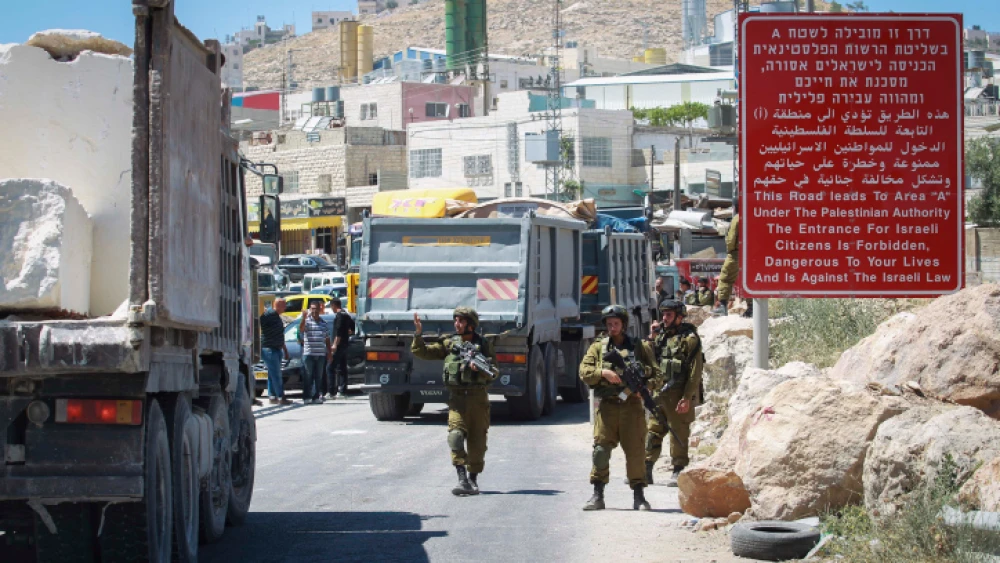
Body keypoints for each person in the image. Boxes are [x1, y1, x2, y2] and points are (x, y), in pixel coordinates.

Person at [411, 307, 499, 497]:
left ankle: (473, 479)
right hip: (457, 399)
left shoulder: (483, 345)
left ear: (470, 324)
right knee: (455, 436)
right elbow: (423, 352)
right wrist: (418, 334)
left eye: (460, 321)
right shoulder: (450, 343)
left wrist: (480, 370)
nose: (456, 324)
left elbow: (495, 372)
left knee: (477, 444)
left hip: (478, 399)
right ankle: (462, 479)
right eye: (455, 320)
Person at [579, 305, 659, 511]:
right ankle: (597, 495)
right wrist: (603, 373)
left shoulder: (639, 346)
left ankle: (639, 496)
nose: (612, 327)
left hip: (631, 407)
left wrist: (644, 388)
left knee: (636, 452)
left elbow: (658, 375)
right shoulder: (598, 347)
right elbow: (584, 371)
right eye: (609, 324)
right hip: (608, 408)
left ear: (624, 325)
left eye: (616, 324)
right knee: (600, 451)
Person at [646, 299, 703, 487]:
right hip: (659, 394)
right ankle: (646, 468)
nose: (665, 318)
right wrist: (651, 339)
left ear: (679, 317)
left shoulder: (690, 339)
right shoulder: (661, 336)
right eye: (663, 314)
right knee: (653, 431)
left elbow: (695, 373)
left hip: (678, 395)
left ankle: (678, 469)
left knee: (678, 432)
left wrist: (687, 398)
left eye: (669, 315)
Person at [298, 300, 331, 404]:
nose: (314, 311)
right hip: (309, 353)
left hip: (320, 354)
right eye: (312, 309)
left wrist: (329, 352)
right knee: (308, 376)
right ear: (309, 309)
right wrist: (303, 317)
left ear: (319, 309)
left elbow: (327, 339)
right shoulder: (307, 321)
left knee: (319, 376)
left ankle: (317, 396)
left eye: (316, 309)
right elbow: (301, 329)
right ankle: (307, 397)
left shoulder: (324, 323)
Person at [260, 298, 292, 405]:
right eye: (284, 305)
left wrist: (285, 350)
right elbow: (260, 320)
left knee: (272, 374)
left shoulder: (277, 317)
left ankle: (272, 396)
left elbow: (280, 335)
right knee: (276, 374)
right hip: (269, 349)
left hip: (277, 348)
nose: (285, 308)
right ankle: (281, 397)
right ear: (277, 305)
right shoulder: (269, 314)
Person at [326, 298, 354, 399]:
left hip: (339, 345)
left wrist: (334, 345)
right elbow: (353, 327)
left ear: (334, 305)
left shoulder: (339, 316)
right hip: (345, 344)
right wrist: (349, 331)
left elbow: (338, 332)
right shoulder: (346, 315)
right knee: (342, 368)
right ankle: (342, 391)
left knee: (330, 367)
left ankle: (331, 392)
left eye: (331, 306)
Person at [715, 213, 740, 317]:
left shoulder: (739, 217)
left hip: (738, 252)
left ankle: (723, 306)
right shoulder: (759, 213)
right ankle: (751, 307)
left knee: (726, 278)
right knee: (751, 281)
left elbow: (731, 238)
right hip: (756, 253)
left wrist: (730, 250)